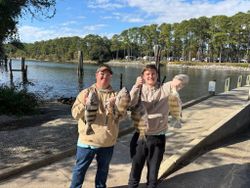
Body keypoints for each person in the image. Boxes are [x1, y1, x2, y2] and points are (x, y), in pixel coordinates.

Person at [128, 64, 189, 188]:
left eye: (153, 74)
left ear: (157, 75)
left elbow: (185, 80)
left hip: (158, 137)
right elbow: (129, 102)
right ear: (143, 77)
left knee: (153, 175)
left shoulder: (166, 88)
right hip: (140, 136)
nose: (151, 76)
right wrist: (135, 86)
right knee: (135, 170)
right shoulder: (138, 89)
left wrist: (178, 79)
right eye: (147, 74)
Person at [70, 64, 123, 188]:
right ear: (96, 75)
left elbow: (122, 116)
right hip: (86, 141)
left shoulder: (116, 96)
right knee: (79, 170)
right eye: (102, 73)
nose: (104, 76)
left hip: (107, 142)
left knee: (103, 172)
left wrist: (113, 108)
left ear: (111, 76)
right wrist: (84, 103)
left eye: (107, 74)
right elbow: (75, 114)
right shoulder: (85, 92)